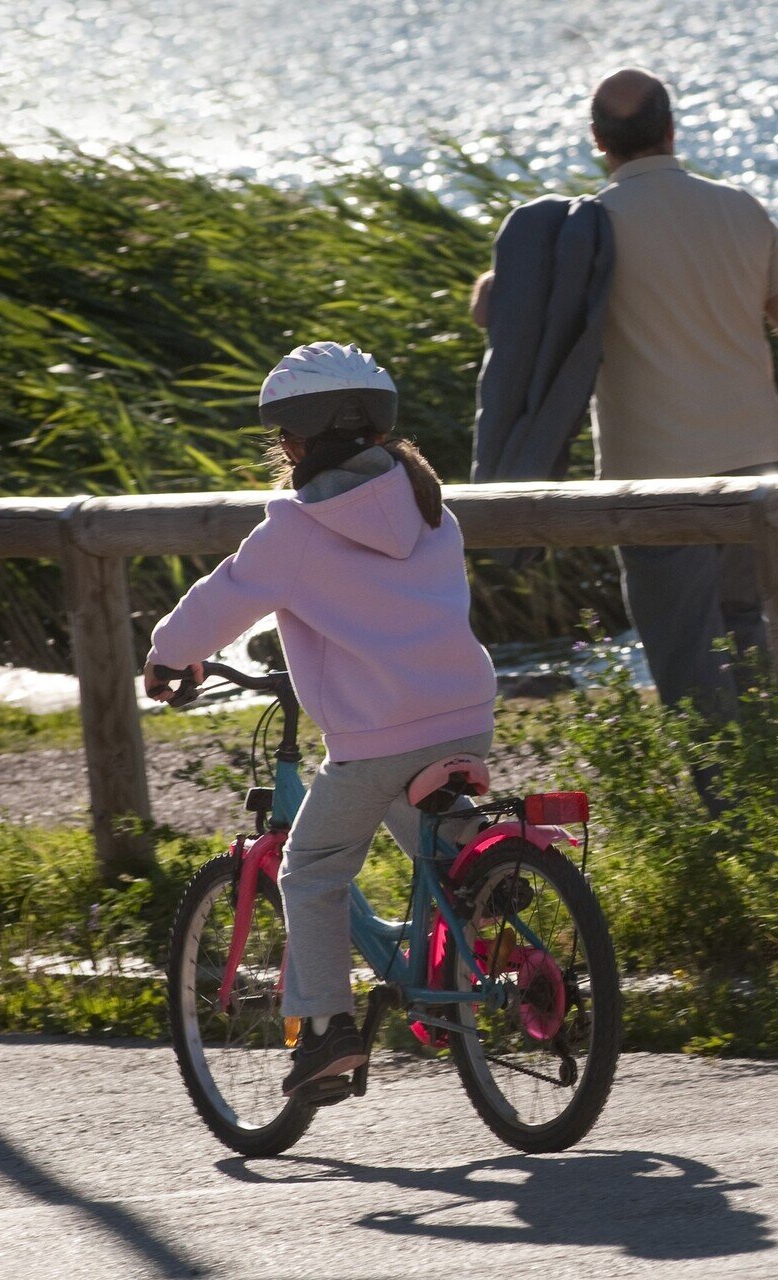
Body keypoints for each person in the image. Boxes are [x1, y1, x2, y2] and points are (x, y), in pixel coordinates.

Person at [143, 342, 498, 1097]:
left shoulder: (295, 530)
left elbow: (223, 596)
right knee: (434, 835)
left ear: (294, 442)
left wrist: (170, 656)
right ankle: (489, 894)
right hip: (465, 714)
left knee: (311, 868)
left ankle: (331, 1032)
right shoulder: (433, 507)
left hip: (378, 737)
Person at [478, 68, 778, 717]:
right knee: (747, 633)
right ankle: (774, 794)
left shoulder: (590, 232)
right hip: (755, 465)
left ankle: (731, 811)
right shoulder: (741, 207)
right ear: (671, 130)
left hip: (652, 482)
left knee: (688, 665)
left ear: (597, 141)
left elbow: (496, 311)